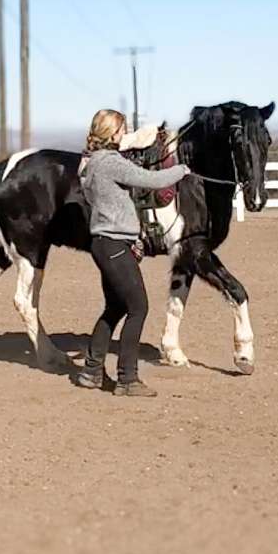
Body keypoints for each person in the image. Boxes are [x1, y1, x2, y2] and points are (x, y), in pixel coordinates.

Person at [78, 109, 190, 398]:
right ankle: (127, 379)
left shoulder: (92, 163)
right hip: (114, 246)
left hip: (105, 243)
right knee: (138, 308)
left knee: (115, 308)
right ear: (113, 133)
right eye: (122, 129)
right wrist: (181, 170)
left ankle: (91, 370)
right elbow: (149, 180)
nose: (125, 133)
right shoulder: (111, 163)